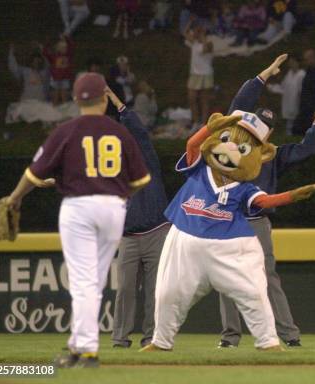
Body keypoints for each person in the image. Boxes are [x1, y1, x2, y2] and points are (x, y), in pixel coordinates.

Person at [3, 73, 151, 367]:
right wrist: (120, 195)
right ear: (105, 98)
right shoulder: (119, 132)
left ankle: (87, 350)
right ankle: (77, 345)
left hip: (79, 208)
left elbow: (34, 173)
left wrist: (15, 197)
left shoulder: (66, 130)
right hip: (113, 209)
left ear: (74, 99)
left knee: (83, 279)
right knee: (92, 280)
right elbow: (142, 179)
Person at [217, 54, 315, 348]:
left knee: (268, 279)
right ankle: (230, 338)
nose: (261, 128)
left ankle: (289, 335)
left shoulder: (273, 154)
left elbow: (308, 148)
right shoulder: (233, 143)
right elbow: (237, 106)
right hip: (229, 219)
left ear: (270, 132)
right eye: (258, 122)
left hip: (257, 222)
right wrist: (263, 76)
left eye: (266, 126)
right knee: (226, 281)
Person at [105, 88, 169, 349]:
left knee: (156, 291)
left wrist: (119, 105)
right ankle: (120, 337)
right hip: (129, 237)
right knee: (125, 291)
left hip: (157, 232)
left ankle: (152, 337)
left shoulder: (148, 162)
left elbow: (140, 134)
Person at [266, 56, 305, 135]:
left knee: (296, 124)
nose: (291, 64)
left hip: (298, 104)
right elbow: (283, 88)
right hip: (288, 103)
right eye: (290, 63)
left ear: (298, 63)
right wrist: (272, 88)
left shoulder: (302, 74)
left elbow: (302, 91)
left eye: (293, 62)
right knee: (289, 124)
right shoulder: (289, 74)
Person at [185, 26, 214, 128]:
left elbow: (206, 49)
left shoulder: (209, 43)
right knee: (191, 98)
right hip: (194, 74)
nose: (195, 34)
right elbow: (186, 33)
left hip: (206, 74)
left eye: (198, 32)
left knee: (204, 99)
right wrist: (190, 24)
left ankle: (203, 123)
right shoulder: (194, 43)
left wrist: (203, 37)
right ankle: (196, 121)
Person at [42, 35, 75, 105]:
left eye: (65, 47)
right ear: (58, 48)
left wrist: (66, 38)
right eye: (62, 47)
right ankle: (55, 112)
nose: (64, 49)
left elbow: (71, 46)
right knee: (55, 97)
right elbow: (45, 53)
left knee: (64, 97)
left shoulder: (68, 56)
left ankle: (65, 111)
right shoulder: (54, 56)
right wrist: (48, 43)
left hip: (65, 79)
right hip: (55, 79)